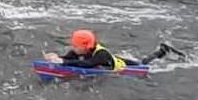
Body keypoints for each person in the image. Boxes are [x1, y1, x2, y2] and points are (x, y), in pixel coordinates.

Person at [44, 29, 174, 70]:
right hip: (109, 62)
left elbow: (88, 64)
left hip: (123, 67)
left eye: (76, 46)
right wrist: (57, 57)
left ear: (85, 47)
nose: (73, 48)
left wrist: (63, 63)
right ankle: (160, 51)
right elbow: (68, 58)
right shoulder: (77, 51)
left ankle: (161, 52)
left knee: (143, 65)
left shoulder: (101, 53)